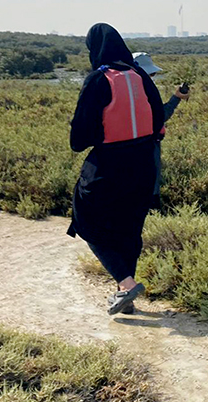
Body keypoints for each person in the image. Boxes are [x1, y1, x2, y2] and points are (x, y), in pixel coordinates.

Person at [67, 24, 164, 316]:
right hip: (145, 164)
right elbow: (159, 120)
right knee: (129, 229)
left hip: (108, 166)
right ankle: (126, 293)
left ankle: (126, 282)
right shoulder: (140, 76)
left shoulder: (98, 79)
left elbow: (79, 139)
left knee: (88, 224)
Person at [132, 52, 191, 209]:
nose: (152, 76)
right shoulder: (146, 91)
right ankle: (152, 212)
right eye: (150, 73)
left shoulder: (125, 90)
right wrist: (175, 99)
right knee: (151, 183)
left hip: (131, 143)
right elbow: (160, 116)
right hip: (148, 143)